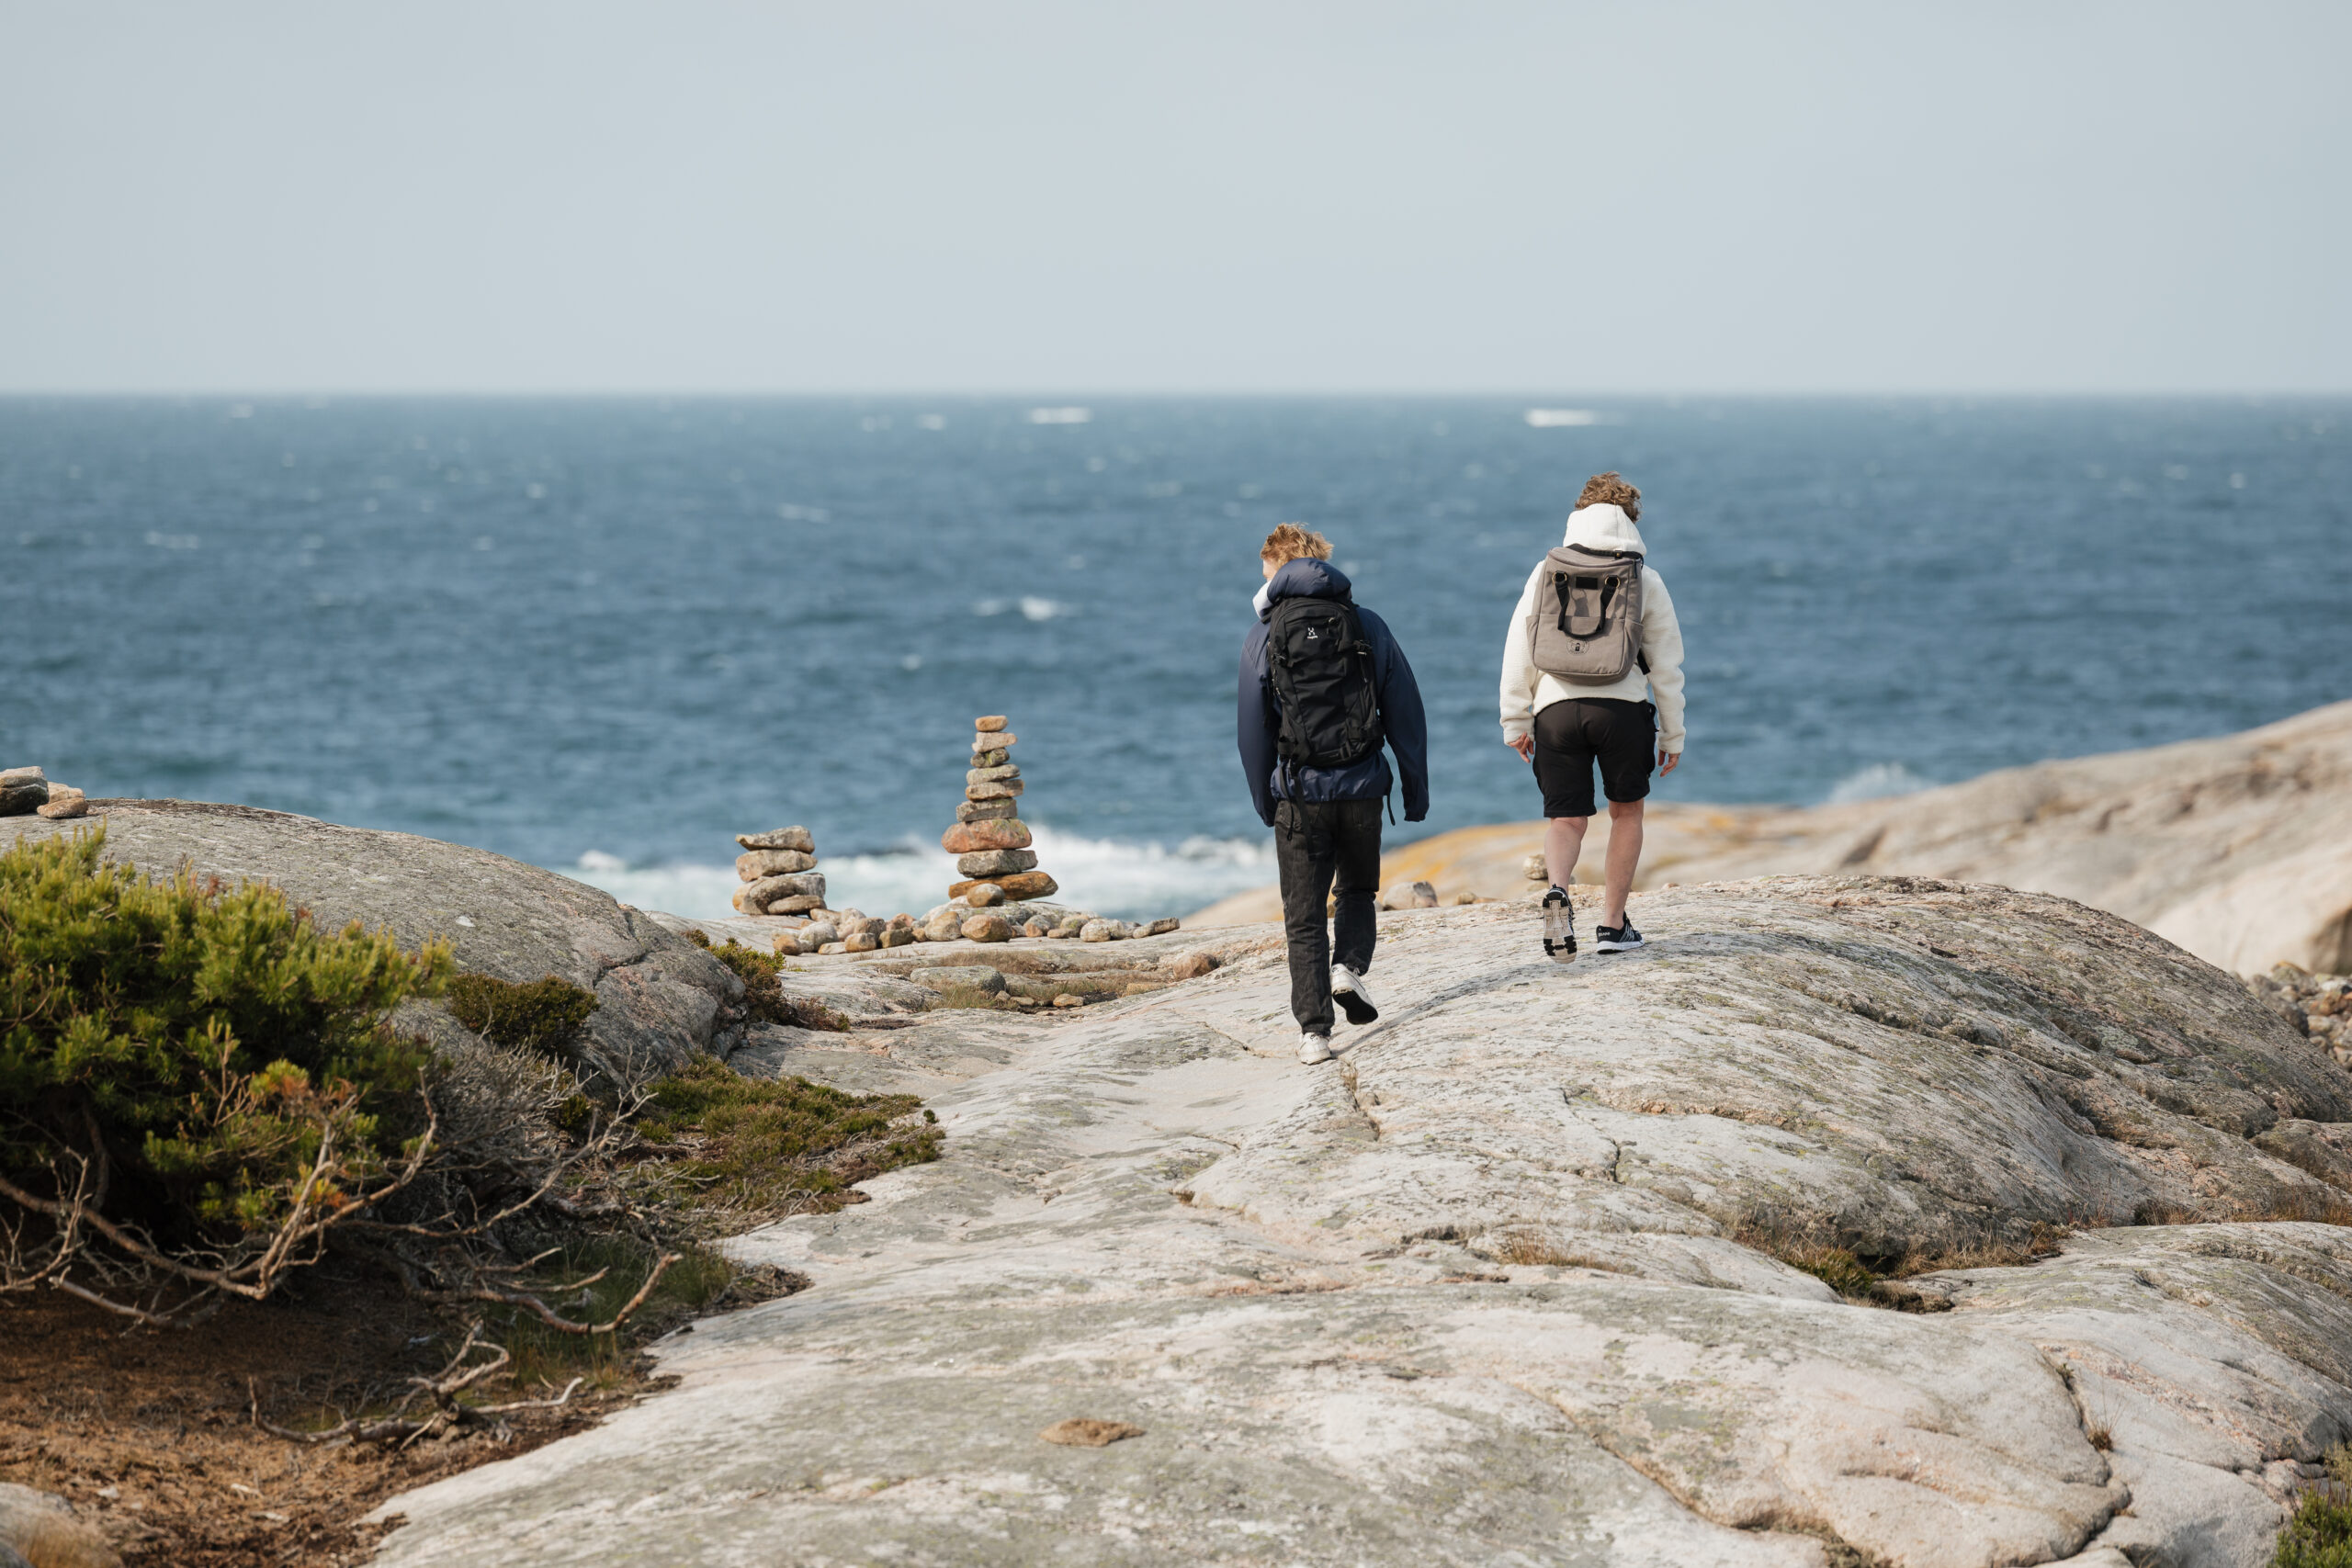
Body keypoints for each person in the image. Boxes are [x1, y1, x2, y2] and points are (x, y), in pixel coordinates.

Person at [1238, 524, 1429, 1065]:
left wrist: (1263, 796)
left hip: (1299, 791)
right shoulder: (1367, 624)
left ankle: (1314, 1033)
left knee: (1302, 915)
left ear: (1274, 570)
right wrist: (1414, 787)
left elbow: (1252, 727)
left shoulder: (1264, 634)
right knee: (1357, 890)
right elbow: (1405, 710)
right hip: (1364, 784)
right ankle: (1349, 967)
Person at [1499, 472, 1686, 959]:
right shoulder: (1644, 578)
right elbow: (1666, 664)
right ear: (1631, 520)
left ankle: (1558, 890)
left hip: (1556, 710)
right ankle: (1611, 926)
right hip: (1622, 710)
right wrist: (1672, 733)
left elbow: (1519, 648)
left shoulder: (1546, 572)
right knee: (1626, 814)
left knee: (1567, 820)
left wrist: (1515, 721)